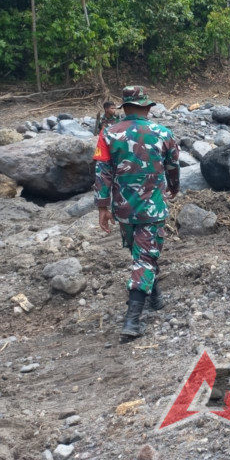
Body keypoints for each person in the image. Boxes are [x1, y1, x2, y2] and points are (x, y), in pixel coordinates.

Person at [94, 86, 180, 340]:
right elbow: (173, 167)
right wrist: (174, 188)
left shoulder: (108, 134)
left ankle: (155, 297)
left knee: (141, 252)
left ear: (125, 107)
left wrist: (102, 207)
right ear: (147, 107)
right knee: (145, 256)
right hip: (152, 208)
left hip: (123, 208)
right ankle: (132, 322)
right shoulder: (163, 133)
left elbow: (102, 172)